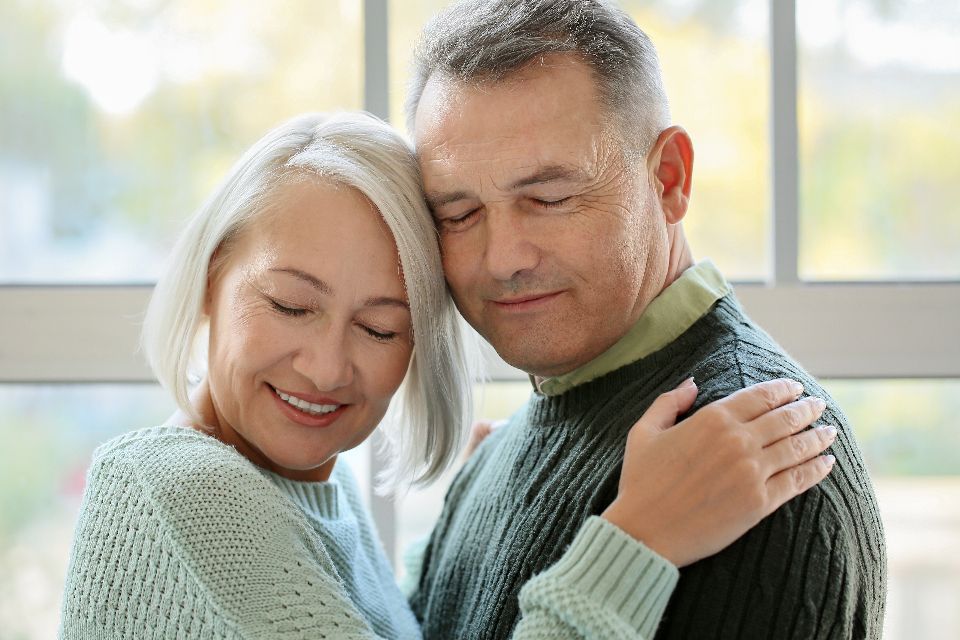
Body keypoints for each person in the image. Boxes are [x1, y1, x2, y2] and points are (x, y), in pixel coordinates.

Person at [58, 112, 835, 639]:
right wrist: (640, 541)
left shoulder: (305, 493)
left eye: (379, 327)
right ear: (210, 279)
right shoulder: (177, 487)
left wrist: (462, 525)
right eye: (291, 305)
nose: (328, 367)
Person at [405, 1, 887, 639]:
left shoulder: (757, 465)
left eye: (549, 198)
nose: (502, 259)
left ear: (668, 179)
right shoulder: (503, 451)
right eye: (459, 214)